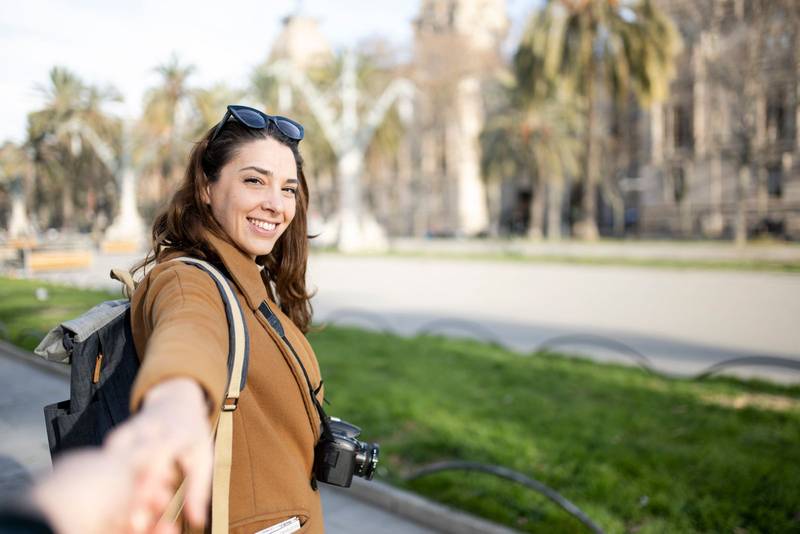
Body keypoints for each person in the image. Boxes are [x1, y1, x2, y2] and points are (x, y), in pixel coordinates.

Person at [122, 105, 325, 533]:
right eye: (254, 181)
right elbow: (188, 336)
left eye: (288, 189)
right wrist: (176, 403)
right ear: (207, 188)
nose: (275, 204)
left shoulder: (246, 279)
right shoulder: (187, 280)